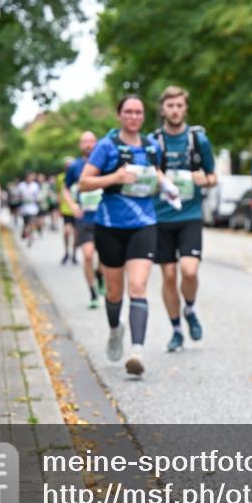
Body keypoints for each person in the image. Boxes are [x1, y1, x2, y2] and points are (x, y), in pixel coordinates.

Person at [78, 97, 180, 376]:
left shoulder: (150, 146)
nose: (134, 116)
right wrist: (114, 178)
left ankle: (136, 351)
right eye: (128, 112)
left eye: (138, 112)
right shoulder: (106, 147)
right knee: (113, 291)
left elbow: (155, 172)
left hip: (144, 224)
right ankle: (115, 330)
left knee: (137, 286)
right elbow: (84, 182)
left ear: (143, 116)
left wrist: (166, 186)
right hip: (109, 226)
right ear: (119, 115)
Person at [152, 86, 218, 352]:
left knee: (189, 271)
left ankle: (189, 308)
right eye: (170, 106)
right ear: (162, 109)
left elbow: (213, 177)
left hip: (190, 215)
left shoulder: (198, 140)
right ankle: (177, 329)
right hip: (161, 217)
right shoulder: (154, 141)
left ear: (185, 108)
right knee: (168, 276)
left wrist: (206, 179)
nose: (175, 110)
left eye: (180, 105)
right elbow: (147, 175)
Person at [63, 132, 104, 309]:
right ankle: (93, 293)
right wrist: (72, 205)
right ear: (80, 146)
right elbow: (64, 189)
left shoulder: (105, 163)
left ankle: (100, 276)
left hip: (104, 218)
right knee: (88, 255)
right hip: (84, 218)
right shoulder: (75, 167)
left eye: (91, 141)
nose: (88, 144)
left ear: (97, 144)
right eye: (85, 142)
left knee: (105, 258)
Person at [56, 158, 78, 265]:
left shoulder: (79, 175)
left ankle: (74, 254)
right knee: (67, 231)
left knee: (76, 233)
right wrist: (59, 207)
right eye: (67, 165)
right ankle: (66, 252)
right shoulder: (61, 177)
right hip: (65, 208)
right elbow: (59, 193)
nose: (69, 167)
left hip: (77, 208)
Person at [17, 172, 41, 244]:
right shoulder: (21, 185)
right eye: (28, 177)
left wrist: (39, 200)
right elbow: (18, 196)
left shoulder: (35, 185)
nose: (30, 179)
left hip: (33, 207)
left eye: (31, 177)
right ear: (26, 178)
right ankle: (25, 232)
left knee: (32, 222)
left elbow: (38, 195)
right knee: (26, 223)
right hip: (24, 207)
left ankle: (30, 236)